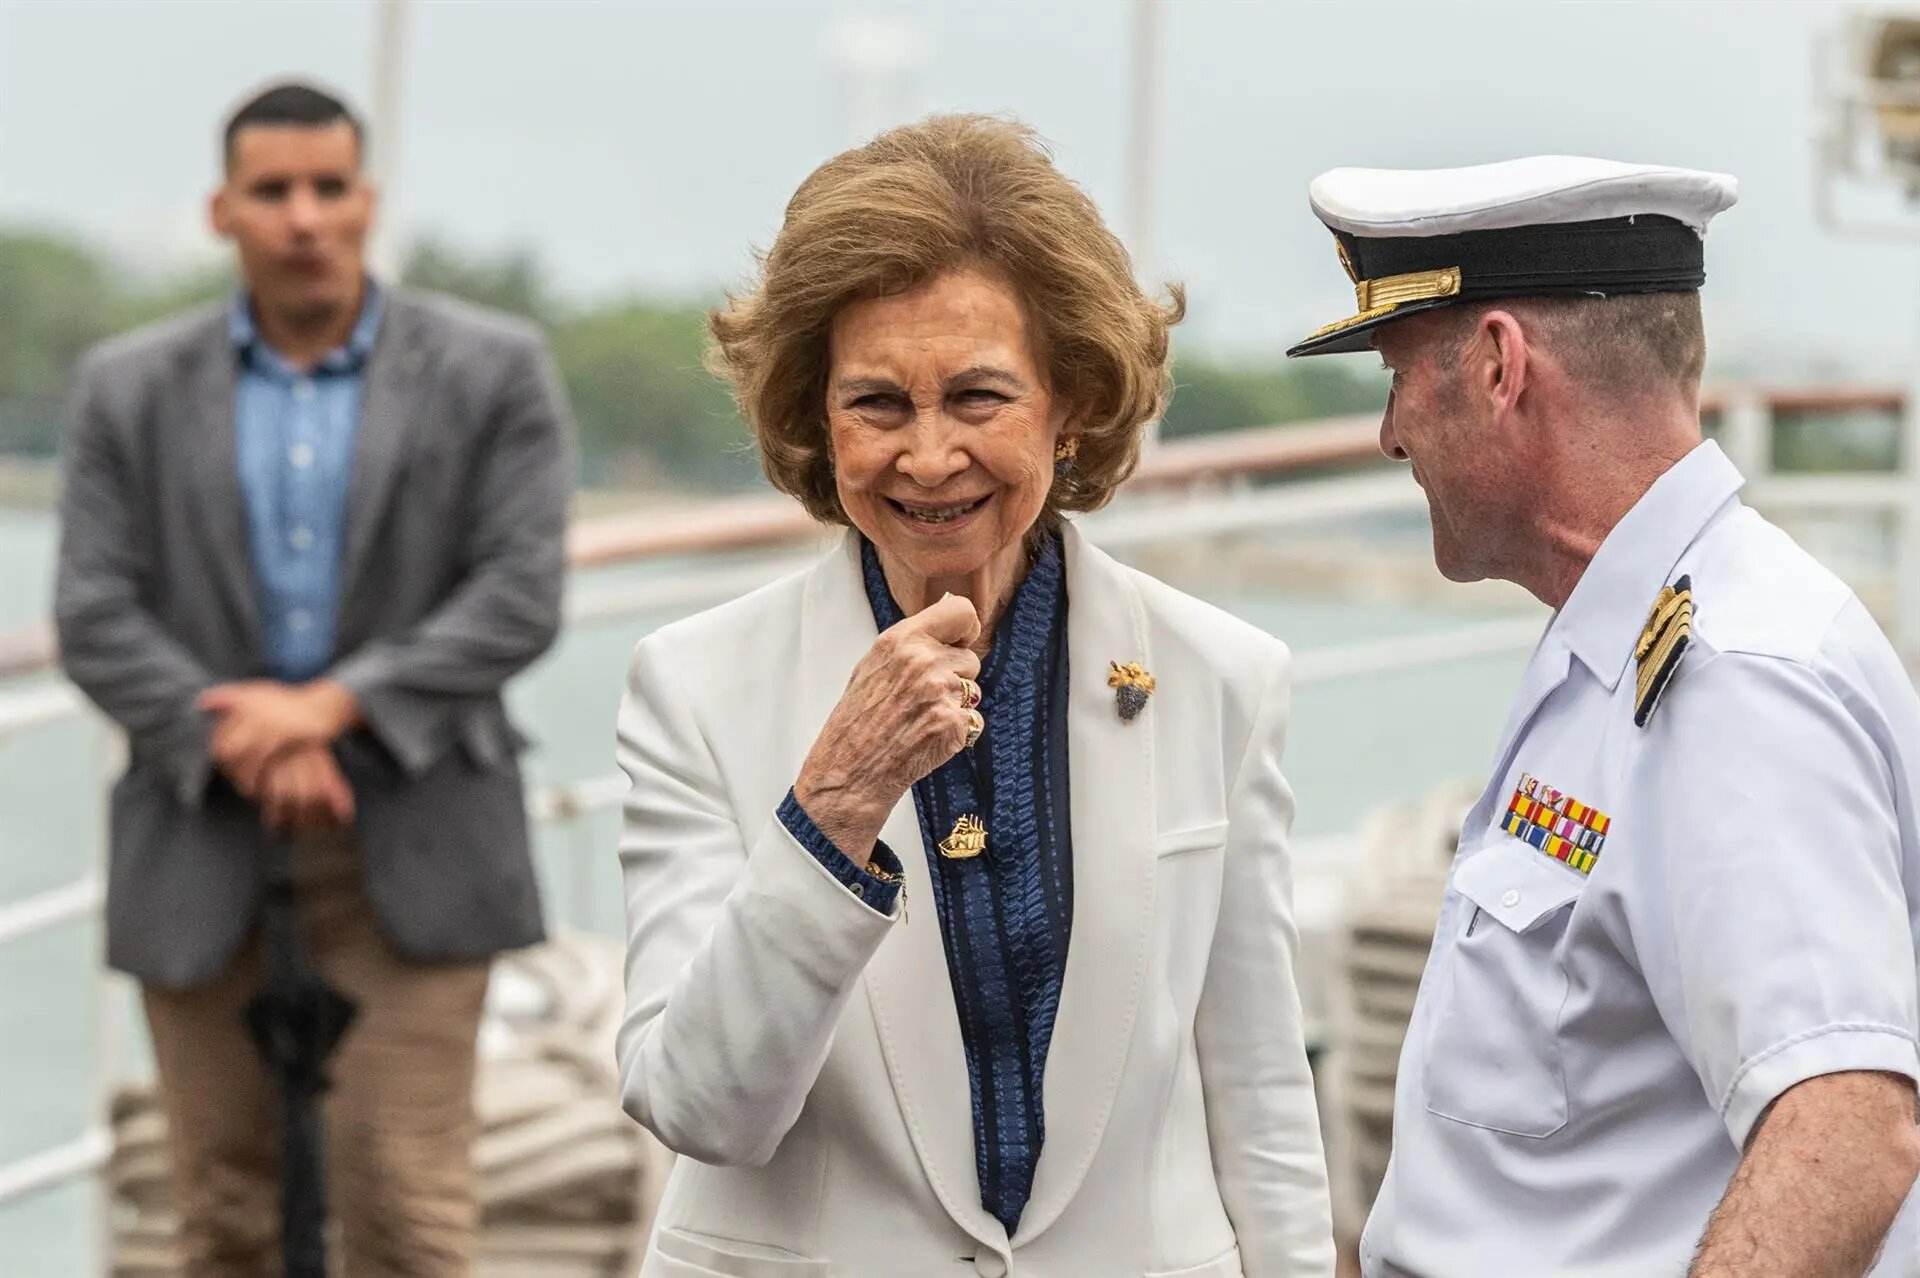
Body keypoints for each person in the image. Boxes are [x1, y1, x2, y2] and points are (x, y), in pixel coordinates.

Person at [613, 114, 1334, 1277]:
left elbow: (1258, 1095)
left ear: (1073, 400)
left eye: (981, 398)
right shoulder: (693, 687)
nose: (930, 455)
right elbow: (699, 1107)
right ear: (814, 414)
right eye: (879, 404)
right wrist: (831, 808)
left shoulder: (1221, 679)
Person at [1287, 155, 1920, 1276]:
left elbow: (1847, 1130)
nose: (1389, 435)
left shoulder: (1735, 677)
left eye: (1397, 376)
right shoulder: (1626, 641)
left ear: (1495, 365)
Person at [54, 82, 575, 1276]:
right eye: (273, 191)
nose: (303, 217)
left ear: (368, 202)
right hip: (201, 828)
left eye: (328, 188)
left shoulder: (494, 369)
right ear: (221, 209)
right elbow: (92, 609)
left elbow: (517, 593)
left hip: (418, 824)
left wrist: (333, 708)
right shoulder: (127, 388)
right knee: (221, 1216)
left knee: (406, 1207)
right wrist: (243, 734)